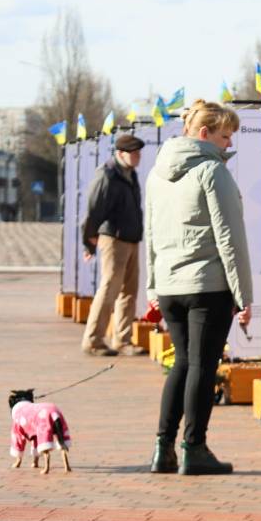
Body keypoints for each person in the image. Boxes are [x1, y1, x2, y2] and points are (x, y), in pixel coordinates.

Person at [146, 100, 252, 476]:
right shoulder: (212, 171)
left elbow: (152, 234)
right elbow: (230, 239)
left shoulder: (156, 174)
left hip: (171, 286)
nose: (229, 145)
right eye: (225, 136)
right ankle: (194, 447)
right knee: (203, 367)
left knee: (182, 364)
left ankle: (163, 448)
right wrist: (244, 296)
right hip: (208, 286)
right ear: (204, 134)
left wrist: (152, 287)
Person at [80, 133, 147, 356]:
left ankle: (122, 339)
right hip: (114, 239)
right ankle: (93, 341)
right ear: (120, 154)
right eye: (134, 153)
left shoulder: (130, 174)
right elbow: (93, 209)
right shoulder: (108, 175)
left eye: (138, 152)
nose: (138, 156)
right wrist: (88, 244)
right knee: (109, 289)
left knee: (129, 291)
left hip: (131, 238)